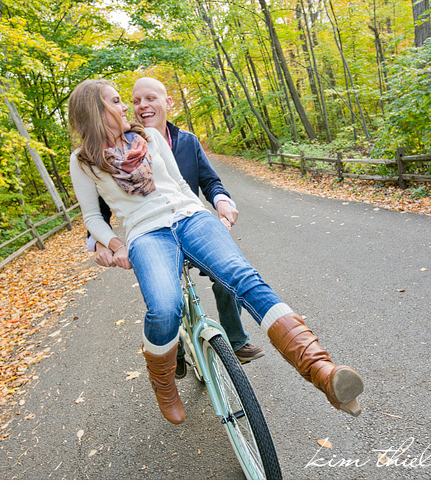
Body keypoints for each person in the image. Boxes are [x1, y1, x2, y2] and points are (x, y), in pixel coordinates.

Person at [68, 78, 364, 425]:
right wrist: (113, 245)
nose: (125, 108)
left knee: (243, 279)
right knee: (165, 309)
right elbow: (92, 216)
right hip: (146, 234)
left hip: (190, 217)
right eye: (116, 101)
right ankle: (164, 386)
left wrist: (208, 216)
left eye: (125, 100)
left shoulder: (148, 138)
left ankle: (322, 372)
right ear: (94, 110)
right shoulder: (83, 161)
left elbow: (180, 184)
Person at [85, 78, 264, 372]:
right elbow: (100, 205)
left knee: (228, 276)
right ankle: (174, 353)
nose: (143, 106)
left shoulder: (187, 141)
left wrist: (221, 202)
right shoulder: (111, 152)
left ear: (167, 103)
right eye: (136, 100)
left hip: (191, 224)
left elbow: (210, 182)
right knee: (164, 299)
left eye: (150, 98)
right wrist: (100, 242)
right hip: (151, 234)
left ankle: (235, 340)